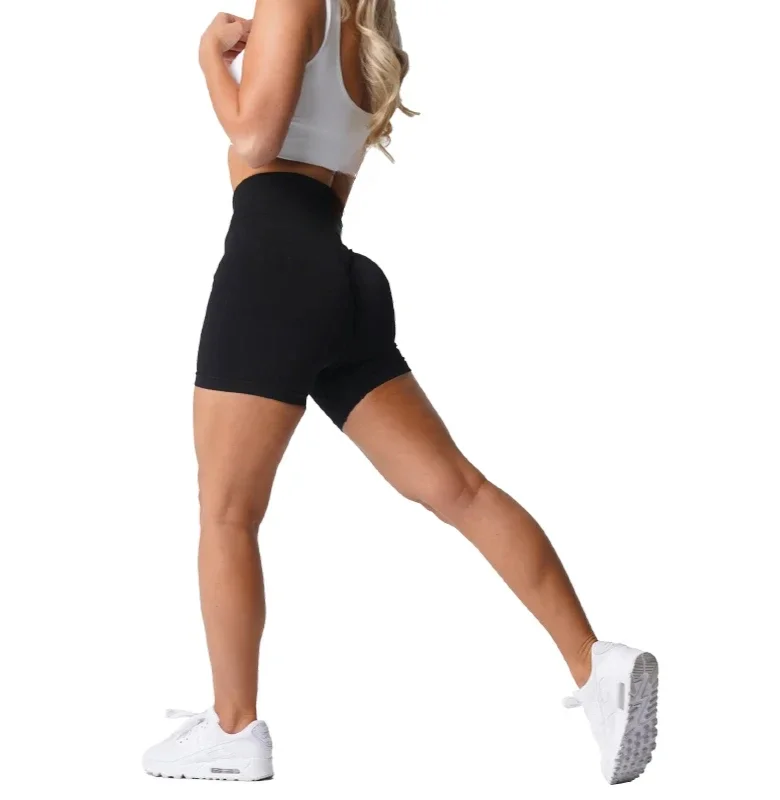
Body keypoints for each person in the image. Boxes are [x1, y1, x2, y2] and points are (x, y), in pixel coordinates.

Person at [142, 0, 658, 785]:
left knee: (227, 512)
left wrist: (210, 61)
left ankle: (233, 727)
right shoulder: (370, 33)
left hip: (272, 269)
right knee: (461, 491)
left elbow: (254, 139)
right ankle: (597, 665)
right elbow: (323, 174)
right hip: (338, 276)